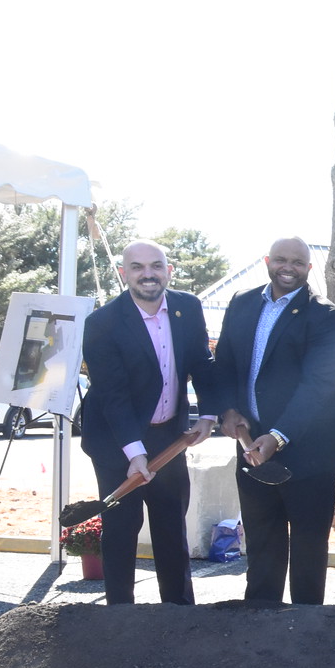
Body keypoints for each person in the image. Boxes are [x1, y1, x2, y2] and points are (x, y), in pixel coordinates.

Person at [79, 239, 218, 605]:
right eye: (138, 267)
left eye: (156, 266)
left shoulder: (187, 307)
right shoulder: (102, 323)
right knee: (122, 528)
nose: (148, 274)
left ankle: (178, 613)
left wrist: (207, 414)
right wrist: (134, 453)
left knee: (172, 526)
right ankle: (120, 616)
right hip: (115, 441)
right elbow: (113, 395)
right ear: (124, 273)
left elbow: (202, 362)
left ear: (168, 271)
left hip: (169, 438)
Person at [216, 238, 335, 605]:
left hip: (310, 448)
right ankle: (262, 620)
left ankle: (307, 629)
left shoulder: (326, 316)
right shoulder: (242, 303)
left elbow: (319, 386)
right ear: (267, 261)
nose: (287, 267)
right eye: (280, 259)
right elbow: (225, 362)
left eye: (297, 261)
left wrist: (279, 436)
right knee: (262, 538)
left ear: (309, 268)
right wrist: (227, 409)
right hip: (252, 443)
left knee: (308, 543)